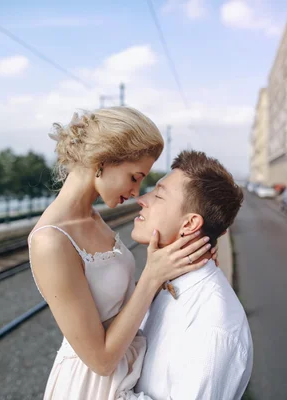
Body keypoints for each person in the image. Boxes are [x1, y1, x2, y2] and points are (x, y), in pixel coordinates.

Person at [27, 107, 214, 400]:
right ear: (102, 162)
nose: (137, 191)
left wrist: (178, 263)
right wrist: (152, 275)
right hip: (89, 387)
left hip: (126, 373)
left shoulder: (94, 218)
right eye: (134, 176)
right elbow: (100, 361)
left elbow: (118, 303)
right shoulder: (50, 241)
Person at [125, 150, 253, 400]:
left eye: (158, 195)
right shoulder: (162, 283)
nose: (142, 199)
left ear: (189, 225)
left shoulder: (213, 327)